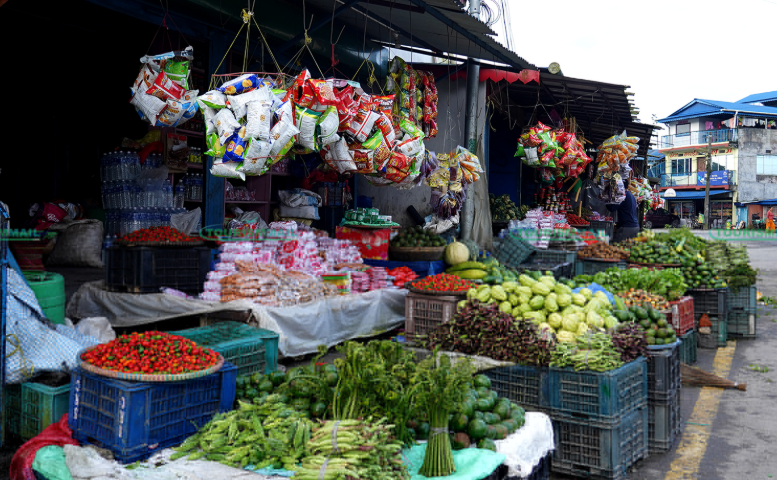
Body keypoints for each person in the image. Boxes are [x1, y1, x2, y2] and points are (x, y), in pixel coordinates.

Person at [606, 178, 640, 243]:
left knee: (617, 247)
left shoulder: (623, 196)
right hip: (634, 227)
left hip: (627, 228)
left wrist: (605, 198)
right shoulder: (630, 195)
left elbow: (611, 208)